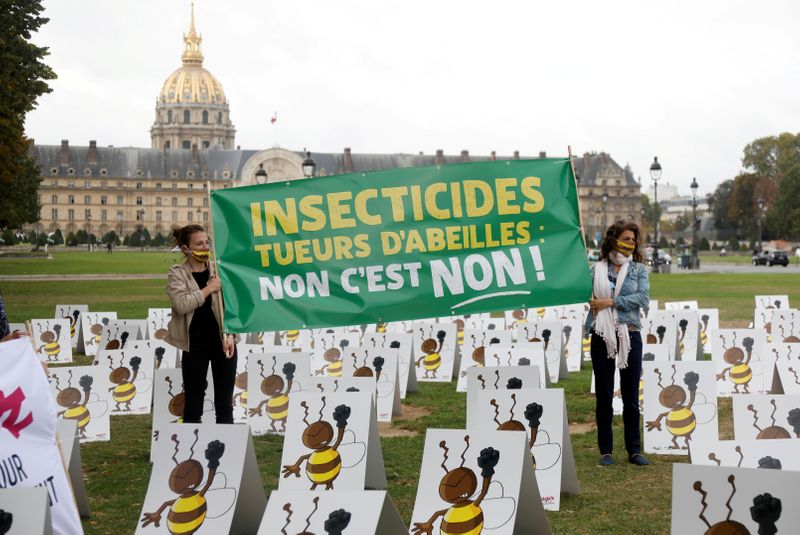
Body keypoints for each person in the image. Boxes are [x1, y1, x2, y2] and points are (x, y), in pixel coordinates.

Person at [585, 220, 650, 466]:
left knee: (631, 396)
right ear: (613, 239)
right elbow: (587, 298)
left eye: (633, 240)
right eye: (626, 238)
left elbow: (642, 299)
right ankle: (606, 451)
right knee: (604, 396)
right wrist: (592, 300)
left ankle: (634, 450)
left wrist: (609, 302)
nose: (630, 243)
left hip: (629, 334)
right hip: (601, 335)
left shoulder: (638, 270)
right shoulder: (595, 270)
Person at [165, 224, 238, 424]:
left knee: (224, 406)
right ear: (185, 249)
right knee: (193, 407)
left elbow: (233, 308)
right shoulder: (177, 273)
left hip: (223, 342)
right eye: (199, 243)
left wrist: (230, 335)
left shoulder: (219, 270)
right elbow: (181, 304)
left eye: (207, 242)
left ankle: (226, 450)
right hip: (194, 346)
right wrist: (208, 289)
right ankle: (192, 451)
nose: (205, 247)